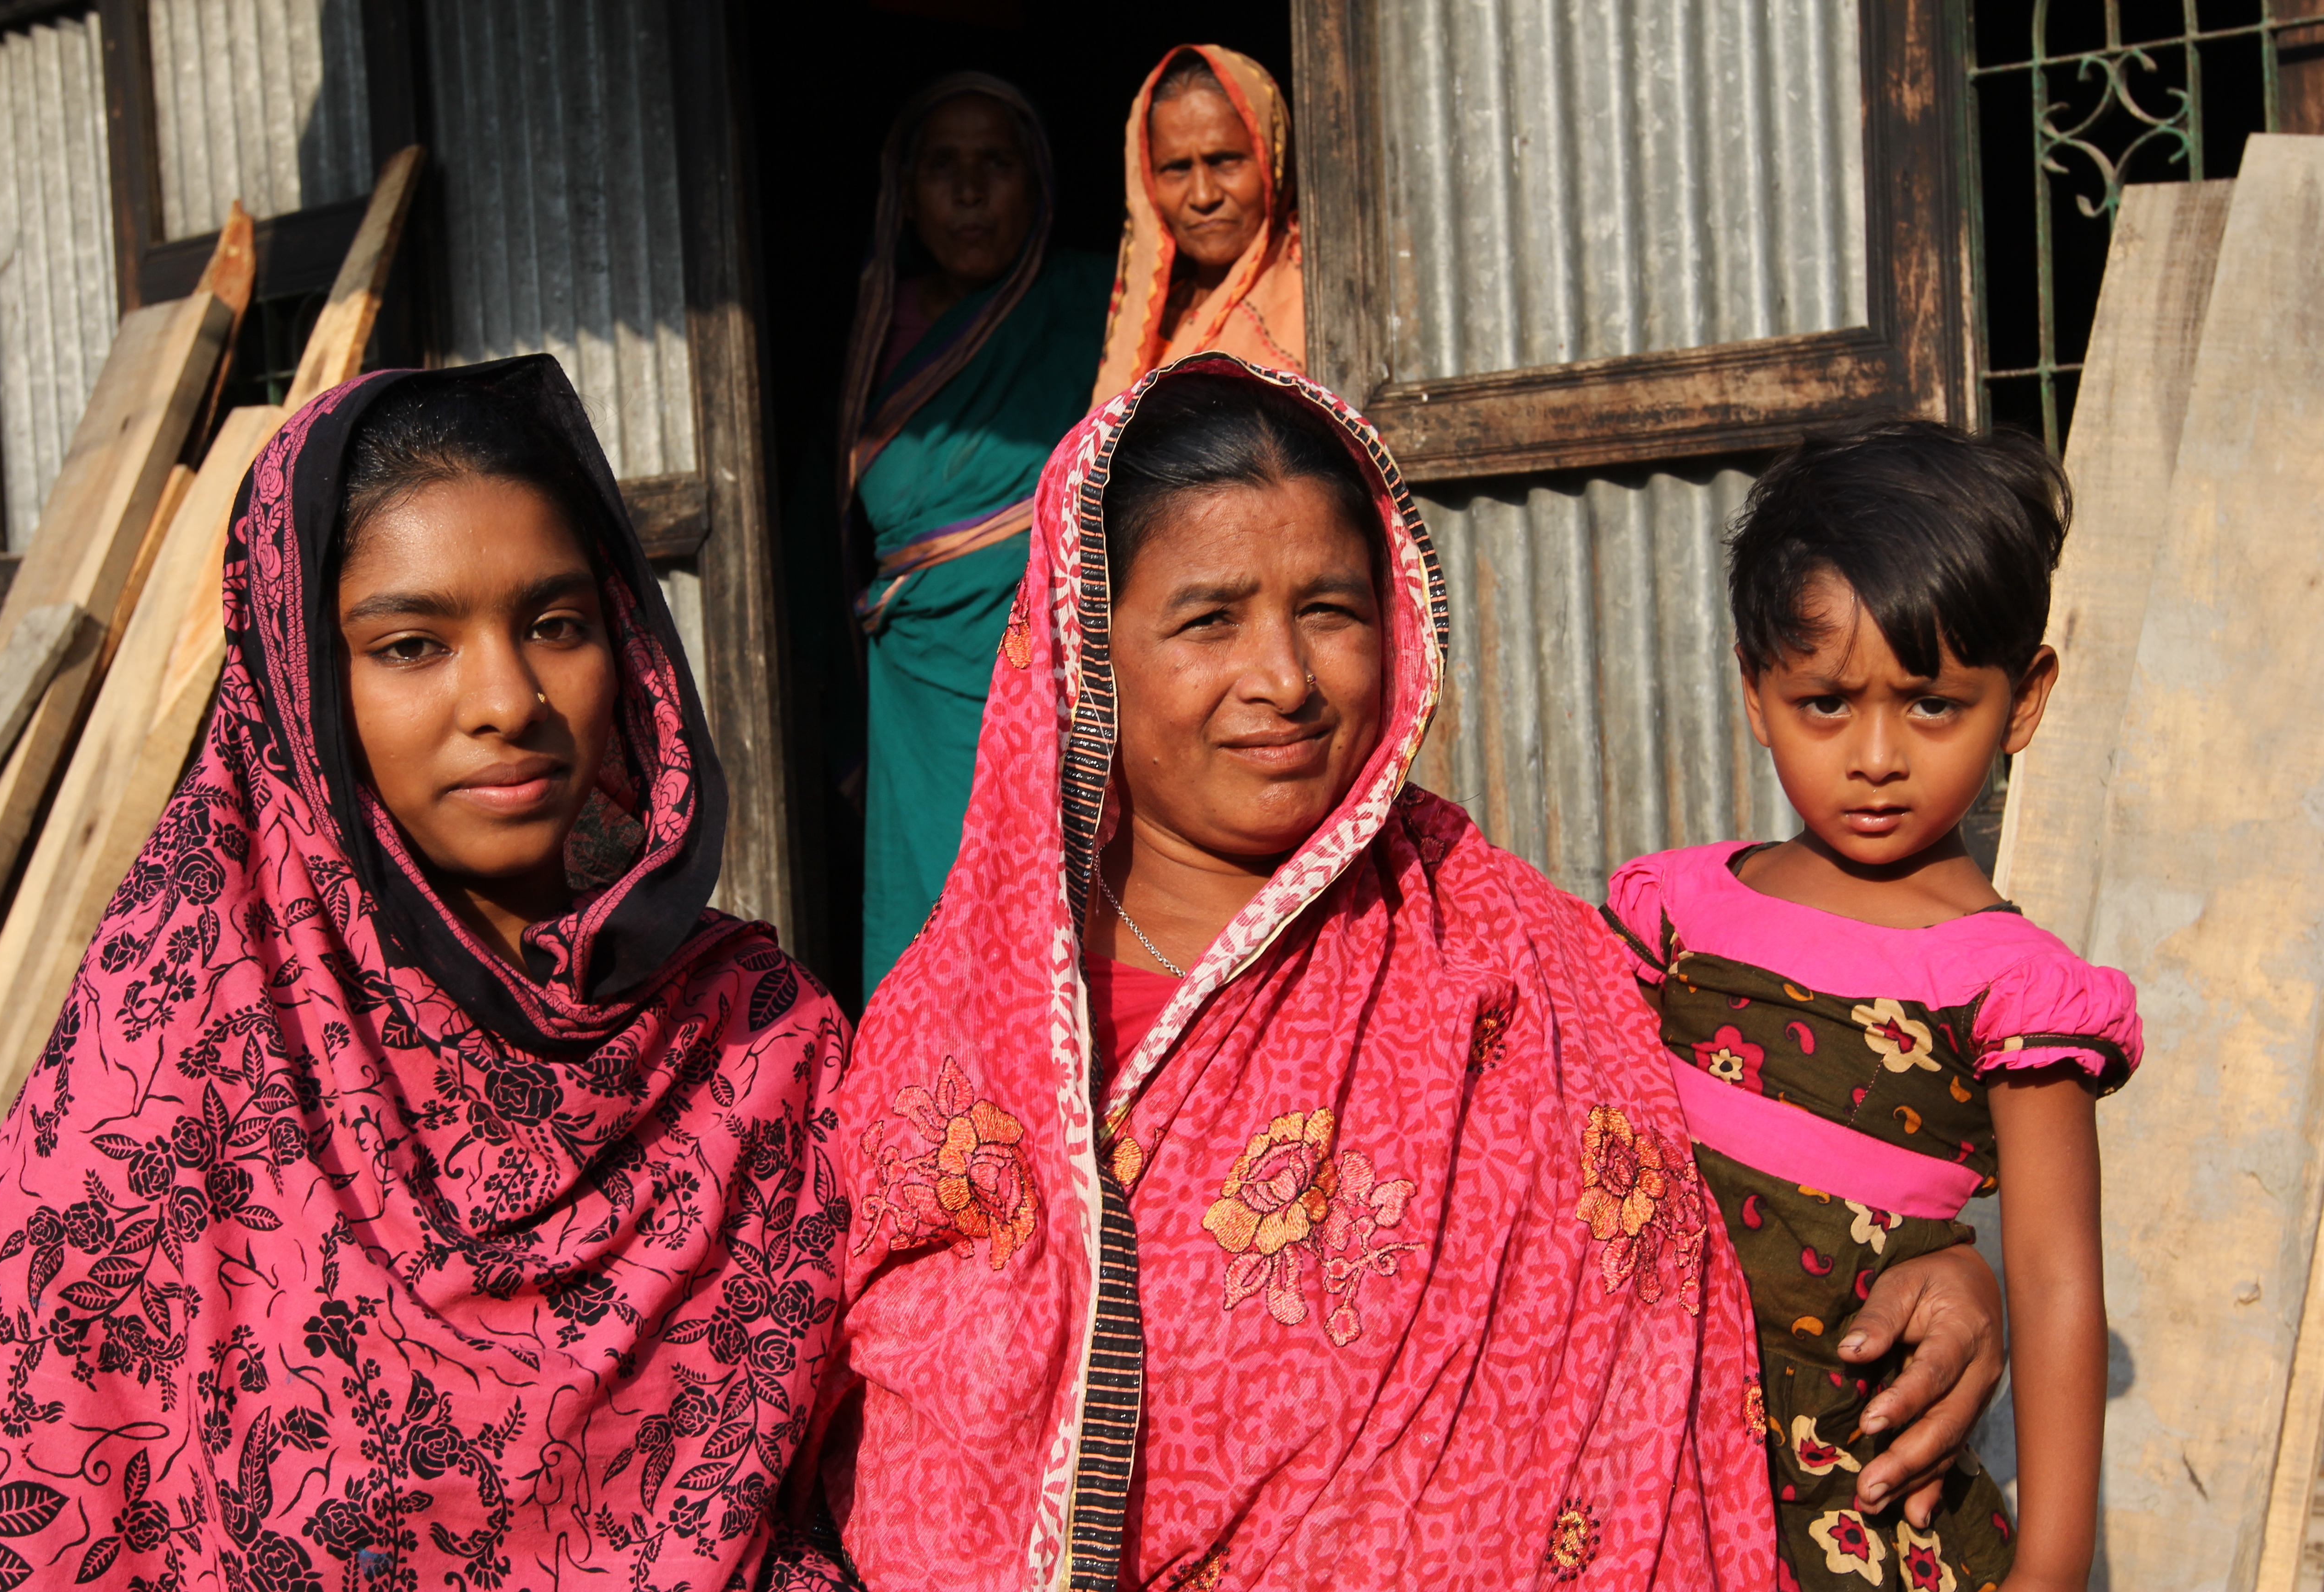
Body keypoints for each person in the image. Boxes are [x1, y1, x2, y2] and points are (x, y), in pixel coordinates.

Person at [790, 357, 2014, 1589]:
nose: (1285, 679)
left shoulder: (1505, 947)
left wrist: (1940, 1263)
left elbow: (1746, 1157)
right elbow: (887, 1410)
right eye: (1210, 619)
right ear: (1087, 650)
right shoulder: (957, 1029)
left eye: (1329, 609)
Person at [0, 358, 849, 1590]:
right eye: (412, 645)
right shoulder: (144, 1112)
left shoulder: (763, 1050)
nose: (508, 700)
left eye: (556, 625)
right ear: (304, 686)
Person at [1604, 421, 2138, 1590]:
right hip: (1645, 1472)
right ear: (1755, 690)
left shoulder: (2010, 986)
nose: (1878, 756)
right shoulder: (1675, 912)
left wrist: (2049, 1570)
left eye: (1933, 703)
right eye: (1827, 703)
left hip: (1862, 1502)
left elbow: (2052, 1284)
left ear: (2024, 698)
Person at [838, 75, 1112, 995]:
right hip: (912, 688)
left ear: (1037, 185)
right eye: (942, 167)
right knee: (928, 920)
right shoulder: (874, 331)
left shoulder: (1091, 307)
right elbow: (821, 535)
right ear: (905, 195)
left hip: (1046, 674)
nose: (967, 192)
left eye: (994, 165)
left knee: (1046, 920)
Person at [1093, 45, 1304, 402]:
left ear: (1272, 160)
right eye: (1177, 168)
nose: (1204, 197)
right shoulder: (1150, 326)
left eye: (1225, 161)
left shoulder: (1315, 292)